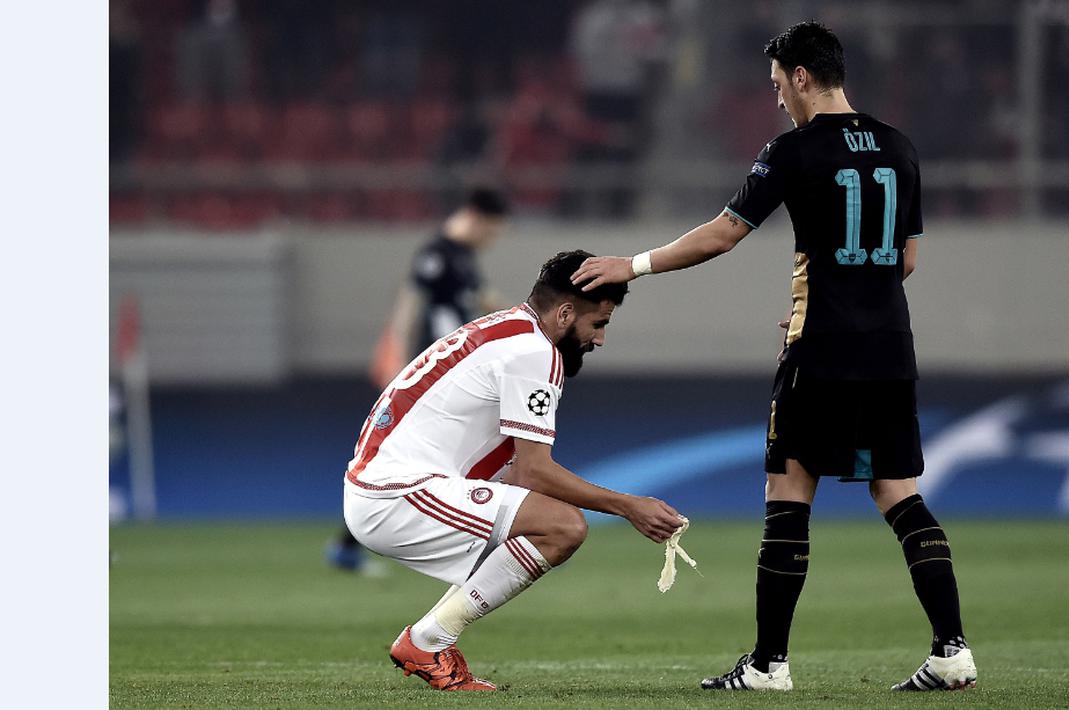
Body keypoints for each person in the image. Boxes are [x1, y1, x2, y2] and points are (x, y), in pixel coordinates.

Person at [569, 21, 976, 693]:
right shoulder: (900, 148)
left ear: (802, 77)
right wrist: (848, 295)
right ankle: (951, 652)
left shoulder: (794, 149)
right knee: (900, 494)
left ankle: (767, 666)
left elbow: (725, 233)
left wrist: (631, 264)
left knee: (788, 495)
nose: (777, 98)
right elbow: (904, 258)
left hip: (820, 352)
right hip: (890, 347)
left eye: (777, 84)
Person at [343, 250, 684, 691]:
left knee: (532, 529)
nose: (599, 340)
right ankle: (427, 641)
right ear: (564, 313)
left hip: (388, 484)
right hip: (395, 493)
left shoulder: (509, 329)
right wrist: (630, 506)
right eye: (598, 324)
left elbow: (516, 473)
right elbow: (534, 474)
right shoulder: (535, 353)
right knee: (561, 527)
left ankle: (427, 639)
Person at [327, 187, 511, 573]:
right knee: (438, 453)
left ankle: (349, 545)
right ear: (476, 218)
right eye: (492, 230)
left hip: (463, 373)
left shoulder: (463, 257)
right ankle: (496, 531)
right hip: (438, 377)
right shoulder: (437, 253)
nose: (492, 239)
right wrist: (396, 354)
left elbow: (478, 299)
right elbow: (411, 300)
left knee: (443, 453)